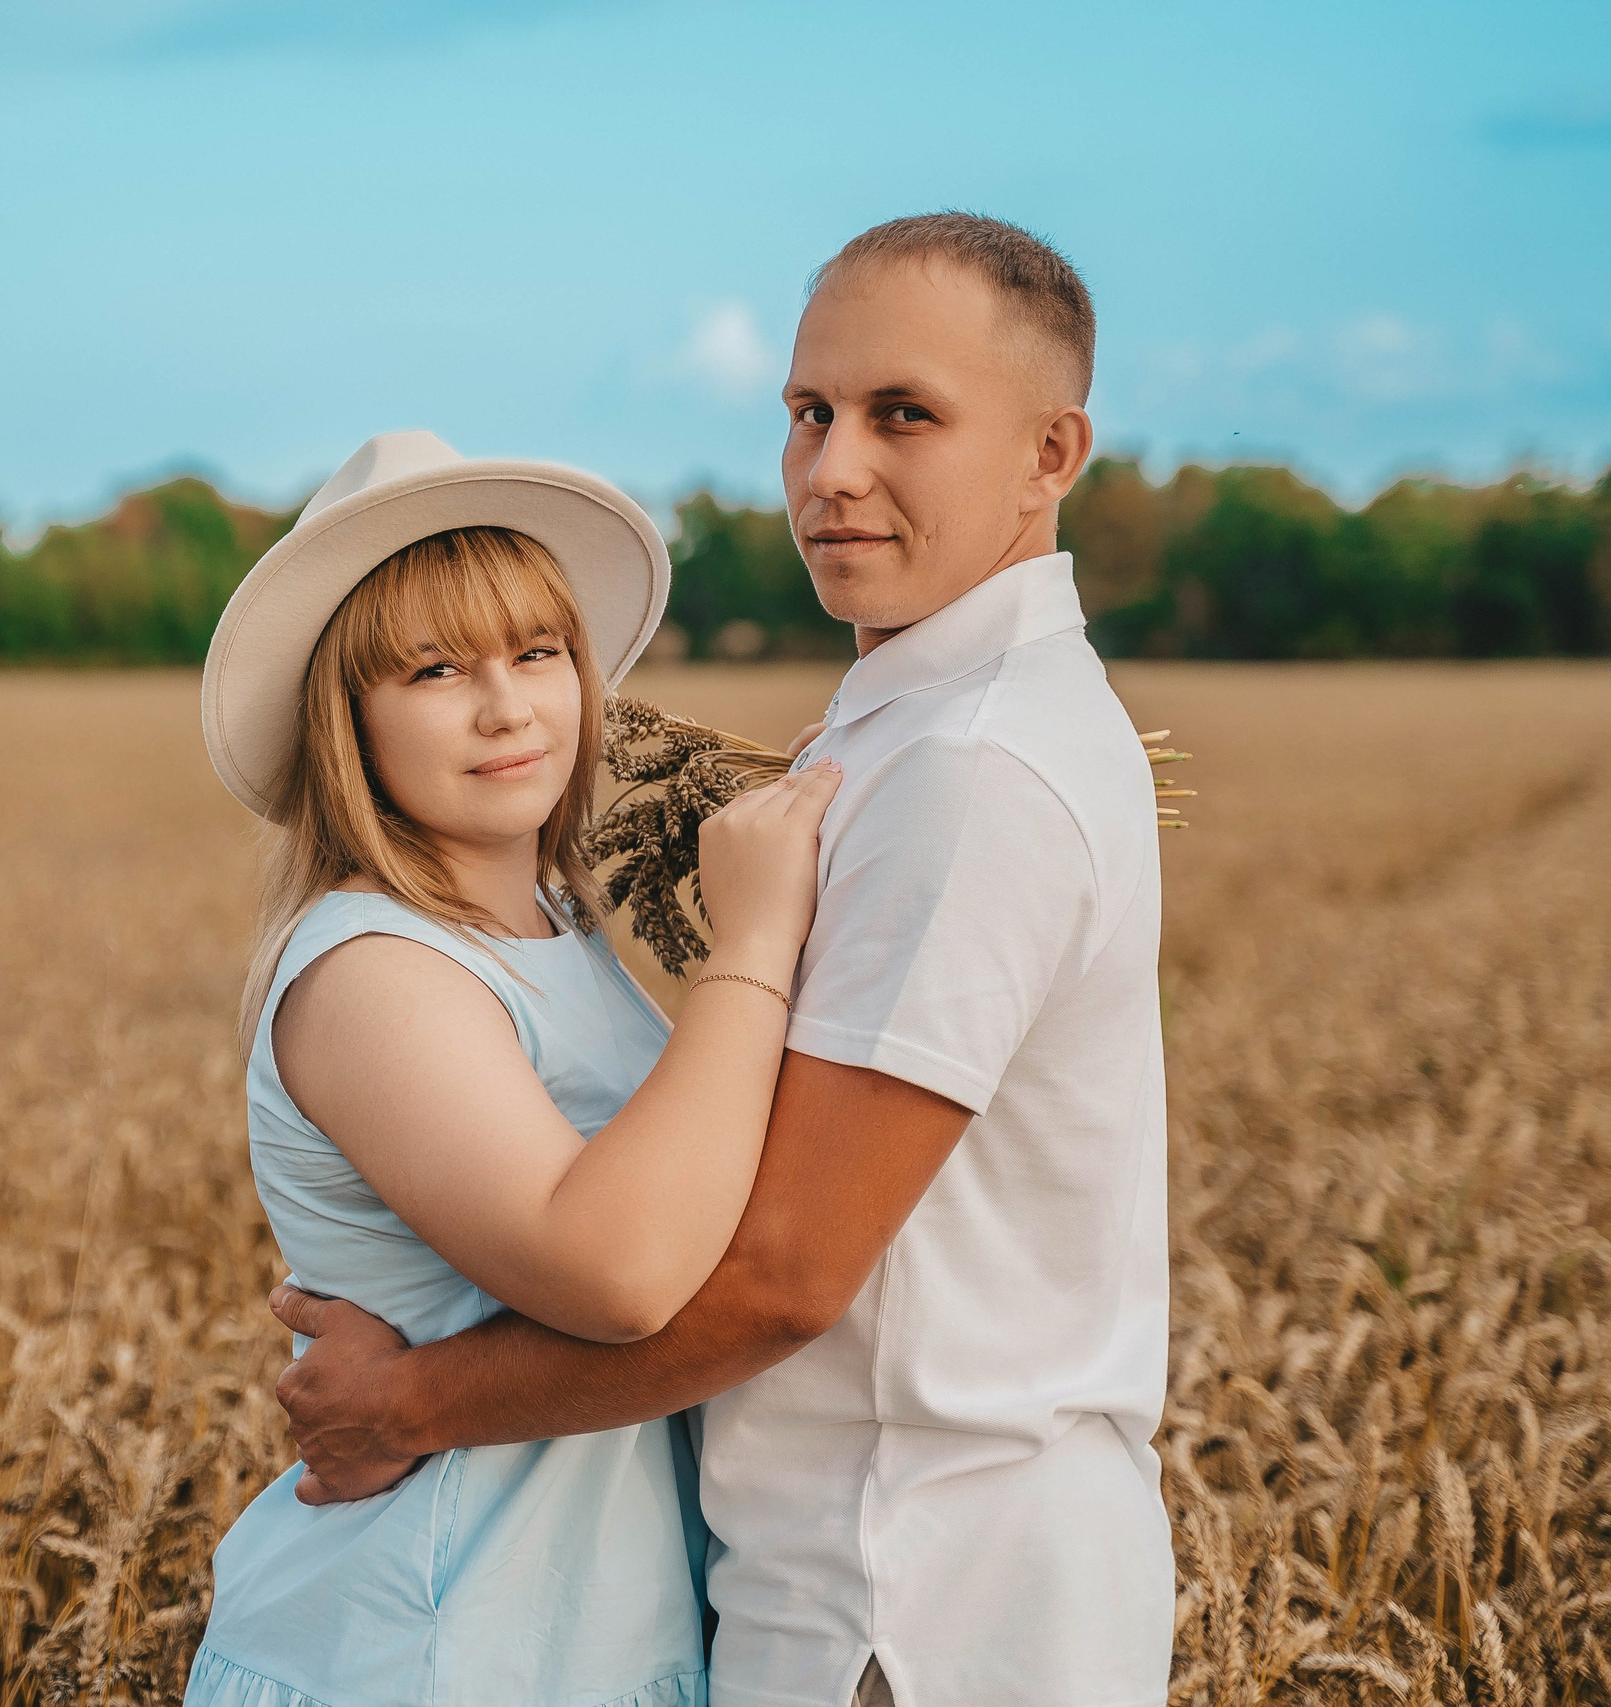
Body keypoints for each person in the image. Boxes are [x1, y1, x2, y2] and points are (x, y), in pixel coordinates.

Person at [270, 214, 1176, 1707]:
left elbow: (777, 1276)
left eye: (905, 416)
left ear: (1048, 453)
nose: (831, 471)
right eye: (809, 412)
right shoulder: (913, 725)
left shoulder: (974, 770)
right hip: (853, 1578)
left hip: (911, 1600)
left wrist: (408, 1398)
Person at [187, 429, 845, 1707]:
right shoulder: (373, 971)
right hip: (430, 1647)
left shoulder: (552, 925)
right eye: (436, 669)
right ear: (347, 718)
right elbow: (615, 1270)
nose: (508, 708)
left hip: (581, 1635)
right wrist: (752, 945)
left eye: (537, 653)